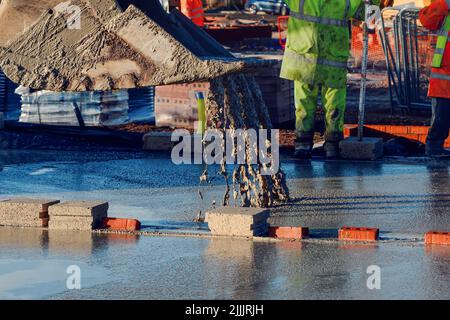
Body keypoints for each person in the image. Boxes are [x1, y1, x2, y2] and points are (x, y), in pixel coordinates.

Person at [280, 0, 380, 159]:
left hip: (312, 56)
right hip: (322, 58)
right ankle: (324, 146)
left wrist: (373, 4)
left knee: (314, 103)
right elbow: (368, 13)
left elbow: (369, 14)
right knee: (322, 104)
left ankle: (311, 145)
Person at [419, 0, 450, 157]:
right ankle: (434, 148)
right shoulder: (444, 7)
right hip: (444, 75)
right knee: (441, 117)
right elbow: (426, 20)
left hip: (444, 75)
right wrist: (445, 4)